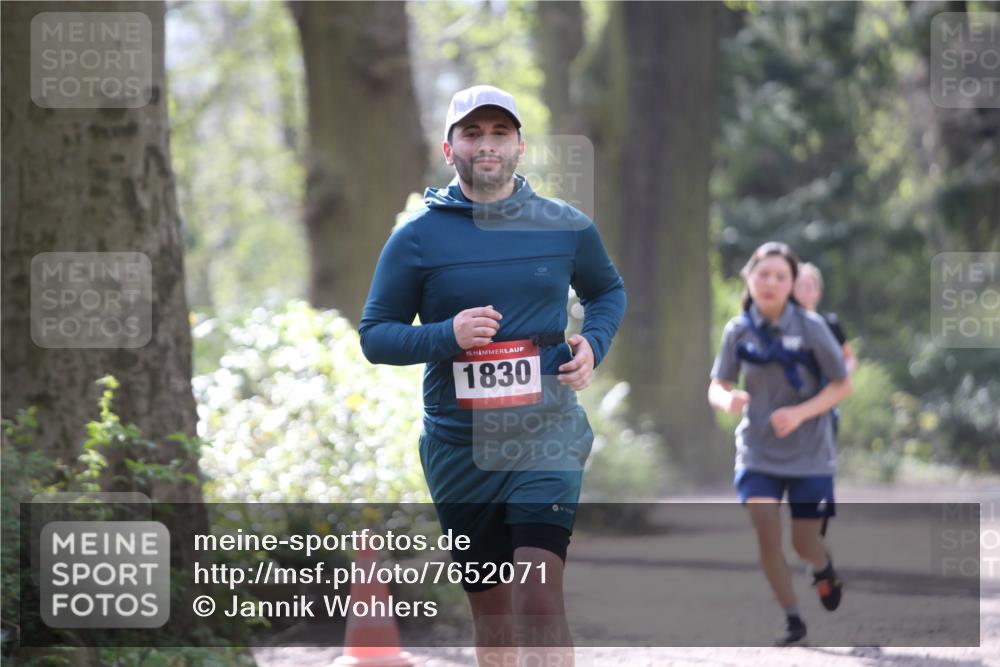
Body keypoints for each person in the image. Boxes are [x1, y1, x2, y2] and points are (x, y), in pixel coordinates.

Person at [359, 84, 626, 666]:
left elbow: (607, 291)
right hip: (460, 450)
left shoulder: (565, 226)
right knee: (495, 613)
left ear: (520, 147)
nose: (487, 145)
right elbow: (375, 336)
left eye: (499, 133)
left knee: (537, 594)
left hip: (546, 435)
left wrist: (593, 345)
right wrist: (444, 335)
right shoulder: (416, 241)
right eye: (472, 133)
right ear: (449, 147)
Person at [707, 242, 852, 646]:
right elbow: (718, 384)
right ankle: (792, 618)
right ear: (749, 280)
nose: (770, 282)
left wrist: (801, 413)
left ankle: (822, 567)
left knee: (803, 541)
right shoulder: (737, 330)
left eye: (780, 276)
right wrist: (727, 399)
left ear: (792, 284)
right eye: (762, 274)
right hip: (757, 451)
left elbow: (842, 384)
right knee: (766, 532)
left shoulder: (811, 327)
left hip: (810, 454)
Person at [793, 262, 856, 374]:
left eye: (808, 287)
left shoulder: (829, 324)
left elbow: (849, 358)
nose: (803, 293)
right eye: (798, 287)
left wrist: (841, 376)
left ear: (818, 293)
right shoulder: (781, 324)